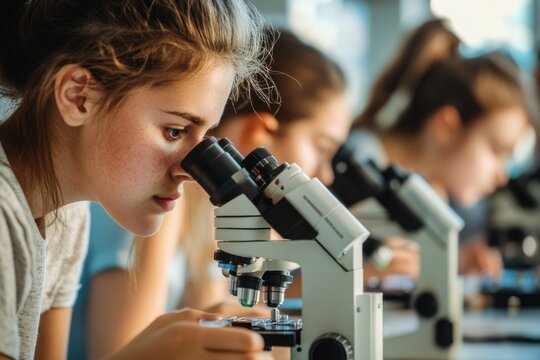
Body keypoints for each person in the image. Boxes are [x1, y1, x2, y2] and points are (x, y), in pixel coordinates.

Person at [0, 1, 275, 359]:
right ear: (79, 96)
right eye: (175, 131)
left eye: (204, 136)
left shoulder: (66, 218)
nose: (192, 171)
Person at [69, 27, 354, 359]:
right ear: (257, 131)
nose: (327, 174)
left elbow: (207, 310)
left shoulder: (204, 210)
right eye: (322, 148)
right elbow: (118, 350)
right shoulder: (150, 201)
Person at [348, 50, 531, 280]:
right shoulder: (356, 165)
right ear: (447, 127)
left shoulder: (442, 193)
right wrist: (373, 271)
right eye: (496, 150)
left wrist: (459, 261)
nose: (501, 176)